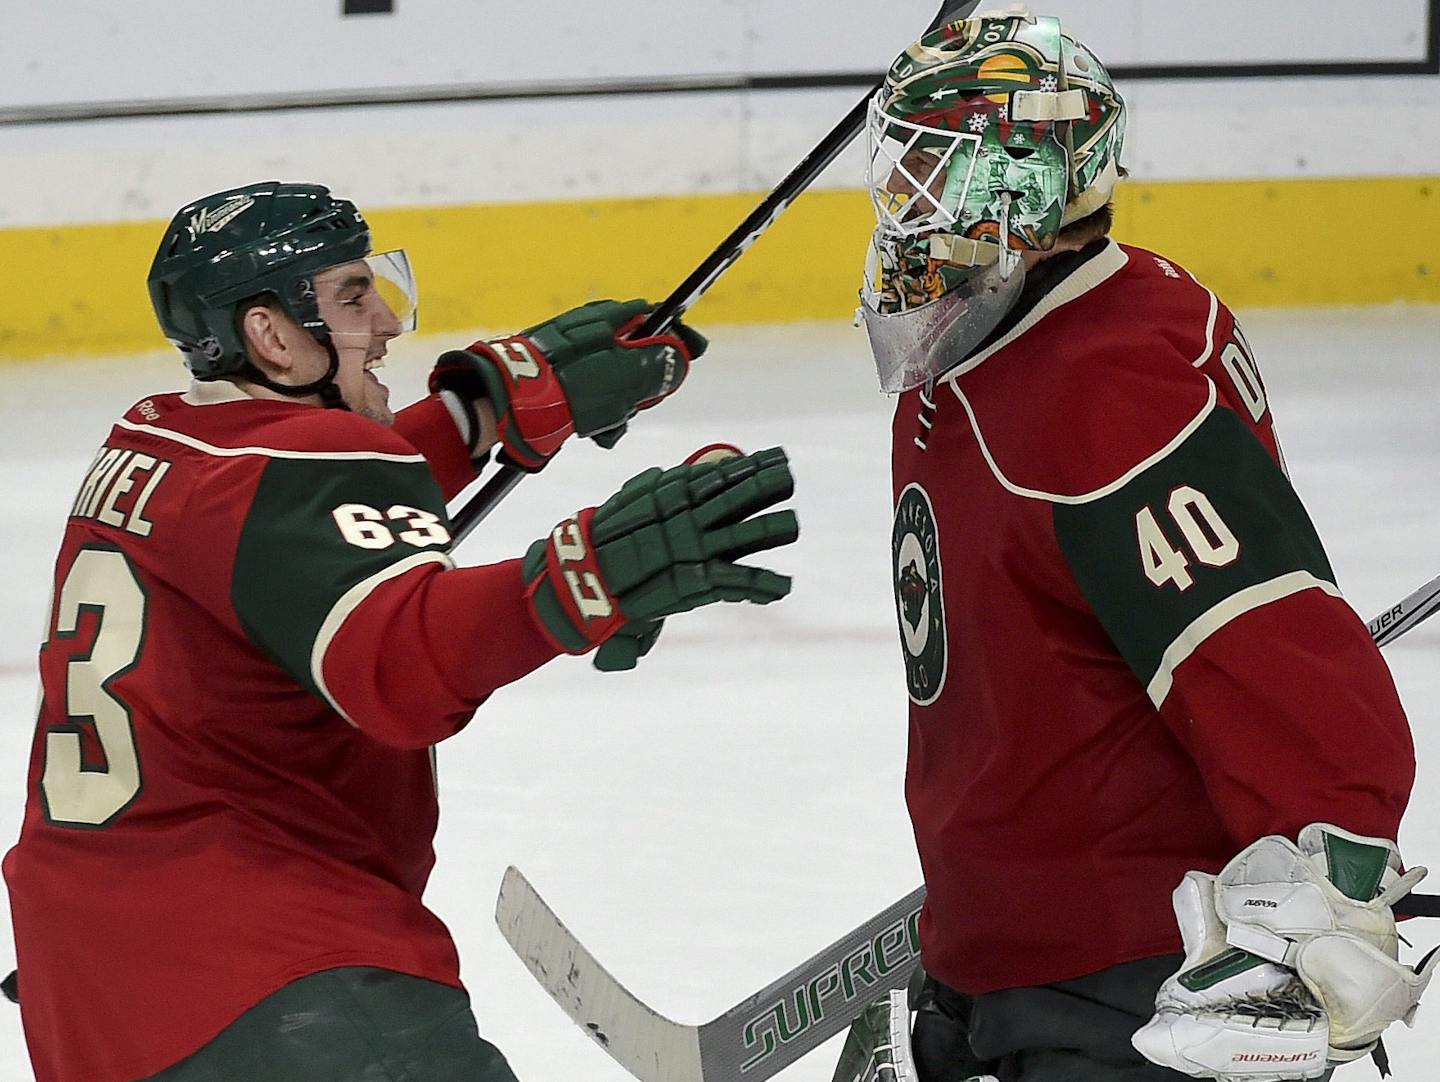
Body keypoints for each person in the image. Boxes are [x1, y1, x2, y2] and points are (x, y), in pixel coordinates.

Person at [3, 180, 799, 1082]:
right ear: (269, 333)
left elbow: (303, 520)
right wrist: (592, 572)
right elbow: (399, 666)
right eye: (351, 296)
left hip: (96, 989)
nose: (385, 320)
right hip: (275, 987)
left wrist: (489, 407)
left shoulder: (159, 444)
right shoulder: (296, 471)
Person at [835, 11, 1432, 1082]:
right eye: (905, 170)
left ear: (1019, 185)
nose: (907, 205)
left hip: (1124, 982)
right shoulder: (1011, 334)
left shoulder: (1104, 391)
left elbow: (1275, 647)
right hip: (1023, 952)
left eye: (938, 173)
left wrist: (1332, 866)